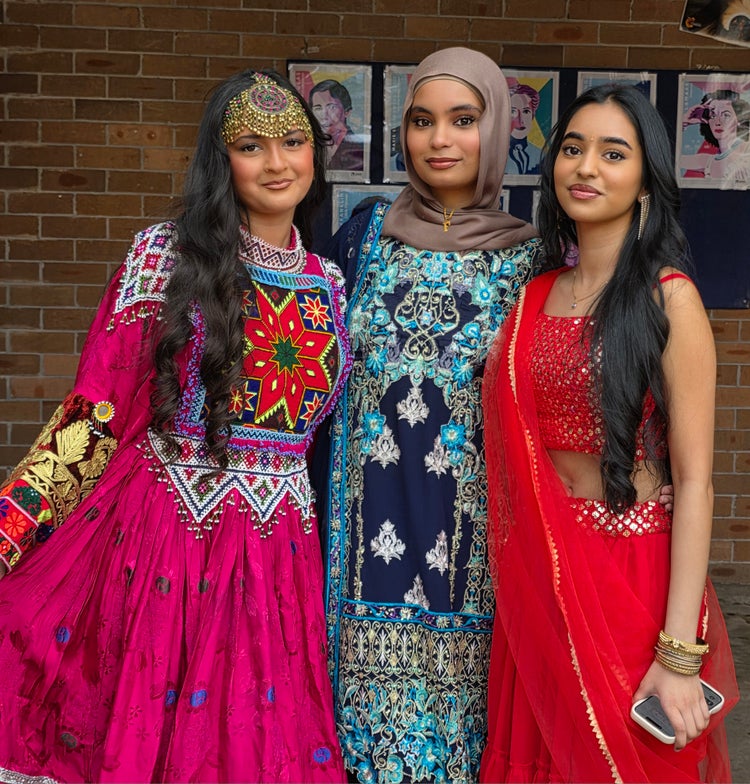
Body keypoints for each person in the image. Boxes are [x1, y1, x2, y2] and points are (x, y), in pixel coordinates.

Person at [0, 69, 350, 782]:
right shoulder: (166, 256)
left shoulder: (330, 284)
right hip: (168, 544)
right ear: (221, 161)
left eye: (292, 142)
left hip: (277, 557)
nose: (277, 163)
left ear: (317, 152)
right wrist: (10, 528)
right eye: (252, 146)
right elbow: (93, 413)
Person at [480, 84, 738, 782]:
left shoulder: (668, 298)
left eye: (612, 153)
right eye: (572, 148)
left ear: (645, 180)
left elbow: (695, 482)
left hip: (629, 578)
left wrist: (679, 654)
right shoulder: (532, 296)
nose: (586, 167)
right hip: (541, 569)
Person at [315, 47, 542, 783]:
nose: (440, 139)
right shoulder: (362, 238)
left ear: (498, 129)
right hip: (361, 561)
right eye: (422, 121)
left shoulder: (535, 258)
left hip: (473, 566)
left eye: (463, 119)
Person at [680, 88, 750, 186]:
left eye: (726, 115)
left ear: (739, 119)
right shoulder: (707, 161)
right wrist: (684, 121)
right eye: (712, 115)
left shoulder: (747, 150)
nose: (718, 122)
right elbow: (668, 159)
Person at [310, 78, 365, 172]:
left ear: (347, 111)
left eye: (332, 107)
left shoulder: (358, 149)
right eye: (318, 108)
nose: (324, 115)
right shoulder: (309, 146)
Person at [507, 82, 543, 176]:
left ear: (533, 115)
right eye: (513, 111)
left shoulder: (541, 155)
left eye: (526, 111)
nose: (521, 120)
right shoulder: (491, 156)